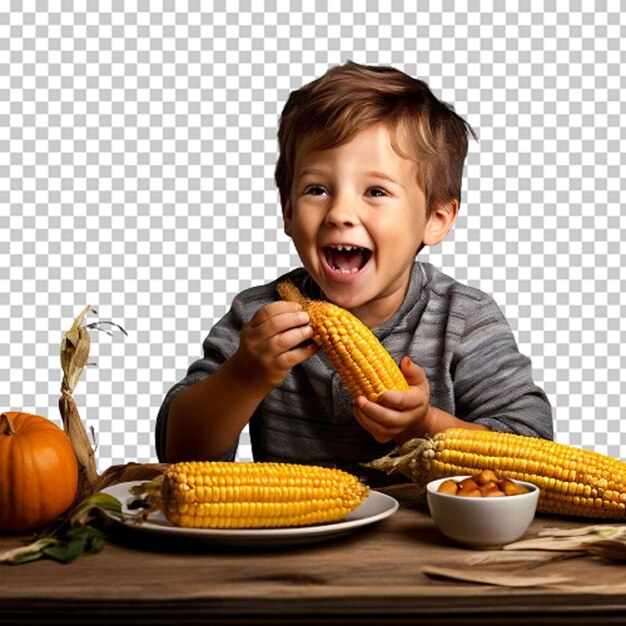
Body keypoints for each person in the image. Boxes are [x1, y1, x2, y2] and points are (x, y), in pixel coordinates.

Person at [155, 61, 552, 486]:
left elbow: (534, 442)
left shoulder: (463, 319)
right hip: (294, 542)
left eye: (376, 191)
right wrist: (243, 376)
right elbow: (178, 453)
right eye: (317, 190)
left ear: (435, 219)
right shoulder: (259, 319)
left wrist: (428, 426)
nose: (340, 213)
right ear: (288, 211)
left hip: (430, 544)